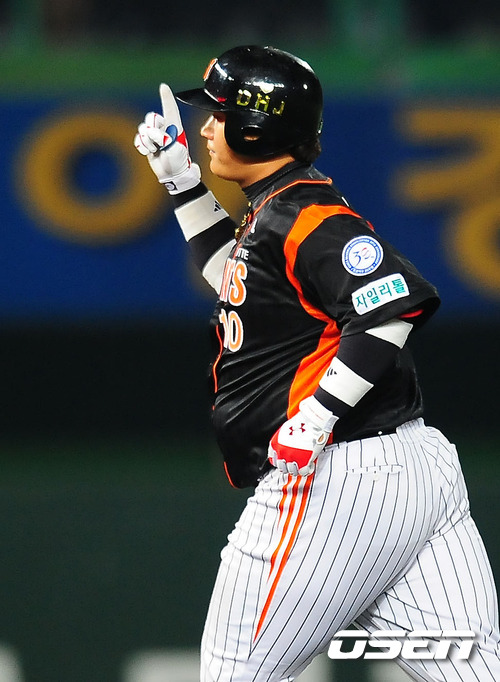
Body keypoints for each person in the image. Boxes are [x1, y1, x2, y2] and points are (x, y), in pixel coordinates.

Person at [134, 45, 500, 682]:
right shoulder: (277, 207)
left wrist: (319, 414)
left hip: (336, 477)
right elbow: (240, 286)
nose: (207, 127)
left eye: (220, 114)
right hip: (414, 475)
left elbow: (389, 308)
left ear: (257, 127)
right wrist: (183, 183)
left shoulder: (305, 214)